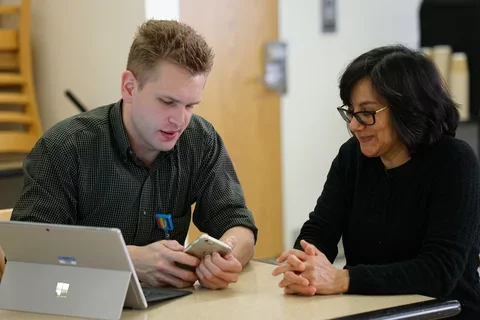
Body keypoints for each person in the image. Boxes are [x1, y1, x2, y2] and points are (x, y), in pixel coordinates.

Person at [9, 19, 257, 291]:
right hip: (75, 303)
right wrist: (127, 260)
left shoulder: (199, 139)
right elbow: (27, 253)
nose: (179, 120)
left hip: (169, 307)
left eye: (190, 105)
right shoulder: (65, 147)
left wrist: (228, 255)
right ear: (129, 87)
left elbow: (237, 223)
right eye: (168, 102)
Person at [271, 45, 480, 319]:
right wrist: (303, 263)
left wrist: (342, 279)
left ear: (408, 109)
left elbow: (438, 272)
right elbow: (321, 229)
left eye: (367, 113)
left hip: (446, 313)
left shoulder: (455, 161)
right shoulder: (352, 156)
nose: (354, 125)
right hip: (369, 309)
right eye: (351, 112)